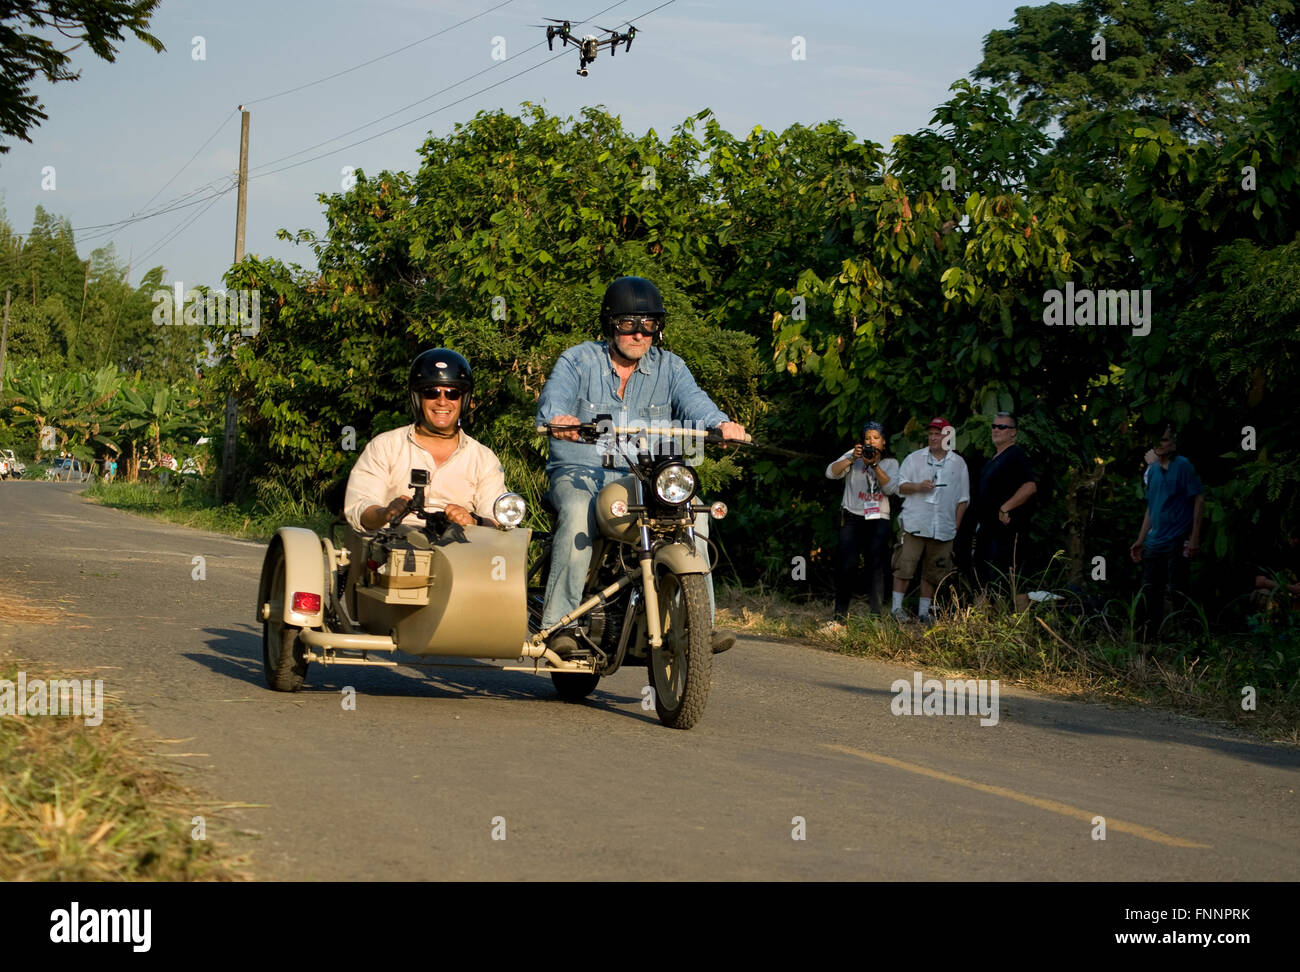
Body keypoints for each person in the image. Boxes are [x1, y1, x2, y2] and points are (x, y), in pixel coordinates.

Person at [535, 275, 746, 654]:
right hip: (583, 473)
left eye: (649, 325)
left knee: (694, 513)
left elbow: (696, 402)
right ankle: (557, 625)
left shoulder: (671, 367)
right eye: (628, 324)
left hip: (644, 476)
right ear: (610, 325)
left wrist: (721, 424)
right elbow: (554, 400)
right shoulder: (578, 359)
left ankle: (702, 626)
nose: (639, 334)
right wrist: (560, 419)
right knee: (577, 512)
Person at [344, 348, 507, 534]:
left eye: (452, 393)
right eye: (432, 392)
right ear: (418, 398)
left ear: (464, 399)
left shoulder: (483, 458)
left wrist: (473, 521)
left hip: (460, 552)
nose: (442, 401)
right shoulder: (384, 446)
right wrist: (385, 513)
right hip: (391, 548)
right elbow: (360, 506)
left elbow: (497, 521)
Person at [891, 416, 970, 625]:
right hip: (915, 524)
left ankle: (924, 612)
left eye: (938, 434)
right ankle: (896, 609)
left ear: (948, 437)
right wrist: (918, 487)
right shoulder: (913, 458)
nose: (933, 437)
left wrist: (955, 525)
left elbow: (963, 499)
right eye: (931, 434)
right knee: (905, 566)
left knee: (933, 572)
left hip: (943, 527)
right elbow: (899, 486)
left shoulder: (958, 463)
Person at [1128, 426, 1204, 643]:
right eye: (1157, 440)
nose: (1159, 444)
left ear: (1174, 443)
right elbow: (1152, 508)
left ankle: (1187, 640)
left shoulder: (1182, 466)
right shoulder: (1151, 471)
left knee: (1179, 591)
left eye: (1164, 440)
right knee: (1150, 592)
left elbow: (1198, 500)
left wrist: (1195, 537)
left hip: (1176, 538)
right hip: (1155, 540)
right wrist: (1141, 539)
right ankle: (1147, 641)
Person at [823, 421, 899, 628]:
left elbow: (891, 489)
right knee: (847, 565)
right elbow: (830, 473)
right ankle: (839, 619)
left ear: (883, 442)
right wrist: (851, 458)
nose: (870, 442)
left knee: (876, 567)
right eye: (867, 438)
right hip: (852, 516)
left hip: (878, 518)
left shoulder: (890, 462)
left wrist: (874, 465)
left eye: (875, 438)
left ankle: (875, 619)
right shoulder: (853, 456)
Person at [971, 411, 1037, 610]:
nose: (996, 430)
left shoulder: (1015, 454)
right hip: (987, 529)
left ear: (1013, 433)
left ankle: (1020, 628)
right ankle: (983, 630)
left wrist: (1005, 507)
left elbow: (1030, 486)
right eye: (994, 426)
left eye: (1002, 427)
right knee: (981, 578)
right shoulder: (994, 459)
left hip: (1006, 531)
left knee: (1010, 579)